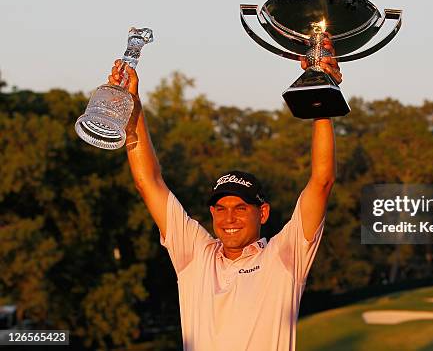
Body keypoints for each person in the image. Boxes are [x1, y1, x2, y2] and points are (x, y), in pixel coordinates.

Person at [108, 37, 342, 351]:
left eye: (240, 207)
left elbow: (321, 181)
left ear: (263, 213)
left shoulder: (284, 256)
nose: (228, 217)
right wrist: (132, 108)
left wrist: (321, 99)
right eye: (220, 208)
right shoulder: (195, 255)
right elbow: (147, 182)